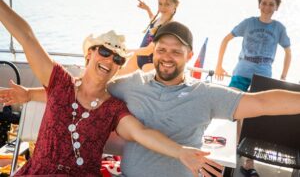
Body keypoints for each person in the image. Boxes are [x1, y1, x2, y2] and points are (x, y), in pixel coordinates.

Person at [4, 21, 300, 177]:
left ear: (189, 56)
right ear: (153, 52)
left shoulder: (207, 93)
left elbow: (262, 102)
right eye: (162, 49)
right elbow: (81, 93)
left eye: (176, 51)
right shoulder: (128, 86)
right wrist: (29, 94)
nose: (167, 57)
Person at [0, 0, 223, 177]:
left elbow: (141, 133)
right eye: (104, 52)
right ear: (90, 53)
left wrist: (181, 152)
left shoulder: (113, 108)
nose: (109, 60)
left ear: (119, 68)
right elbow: (26, 37)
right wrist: (29, 94)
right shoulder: (60, 83)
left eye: (117, 58)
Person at [215, 0, 292, 177]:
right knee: (231, 111)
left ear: (276, 8)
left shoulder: (279, 28)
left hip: (263, 76)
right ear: (259, 5)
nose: (267, 7)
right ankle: (229, 153)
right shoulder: (248, 23)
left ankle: (249, 161)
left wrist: (283, 75)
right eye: (264, 3)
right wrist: (219, 65)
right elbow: (226, 39)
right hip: (241, 72)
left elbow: (288, 52)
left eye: (271, 4)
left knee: (255, 118)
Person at [118, 0, 179, 74]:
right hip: (138, 57)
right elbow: (153, 21)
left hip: (149, 62)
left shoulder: (169, 27)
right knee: (115, 78)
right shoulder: (159, 19)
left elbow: (148, 51)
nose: (162, 7)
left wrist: (124, 50)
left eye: (167, 4)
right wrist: (147, 9)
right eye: (160, 4)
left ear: (175, 5)